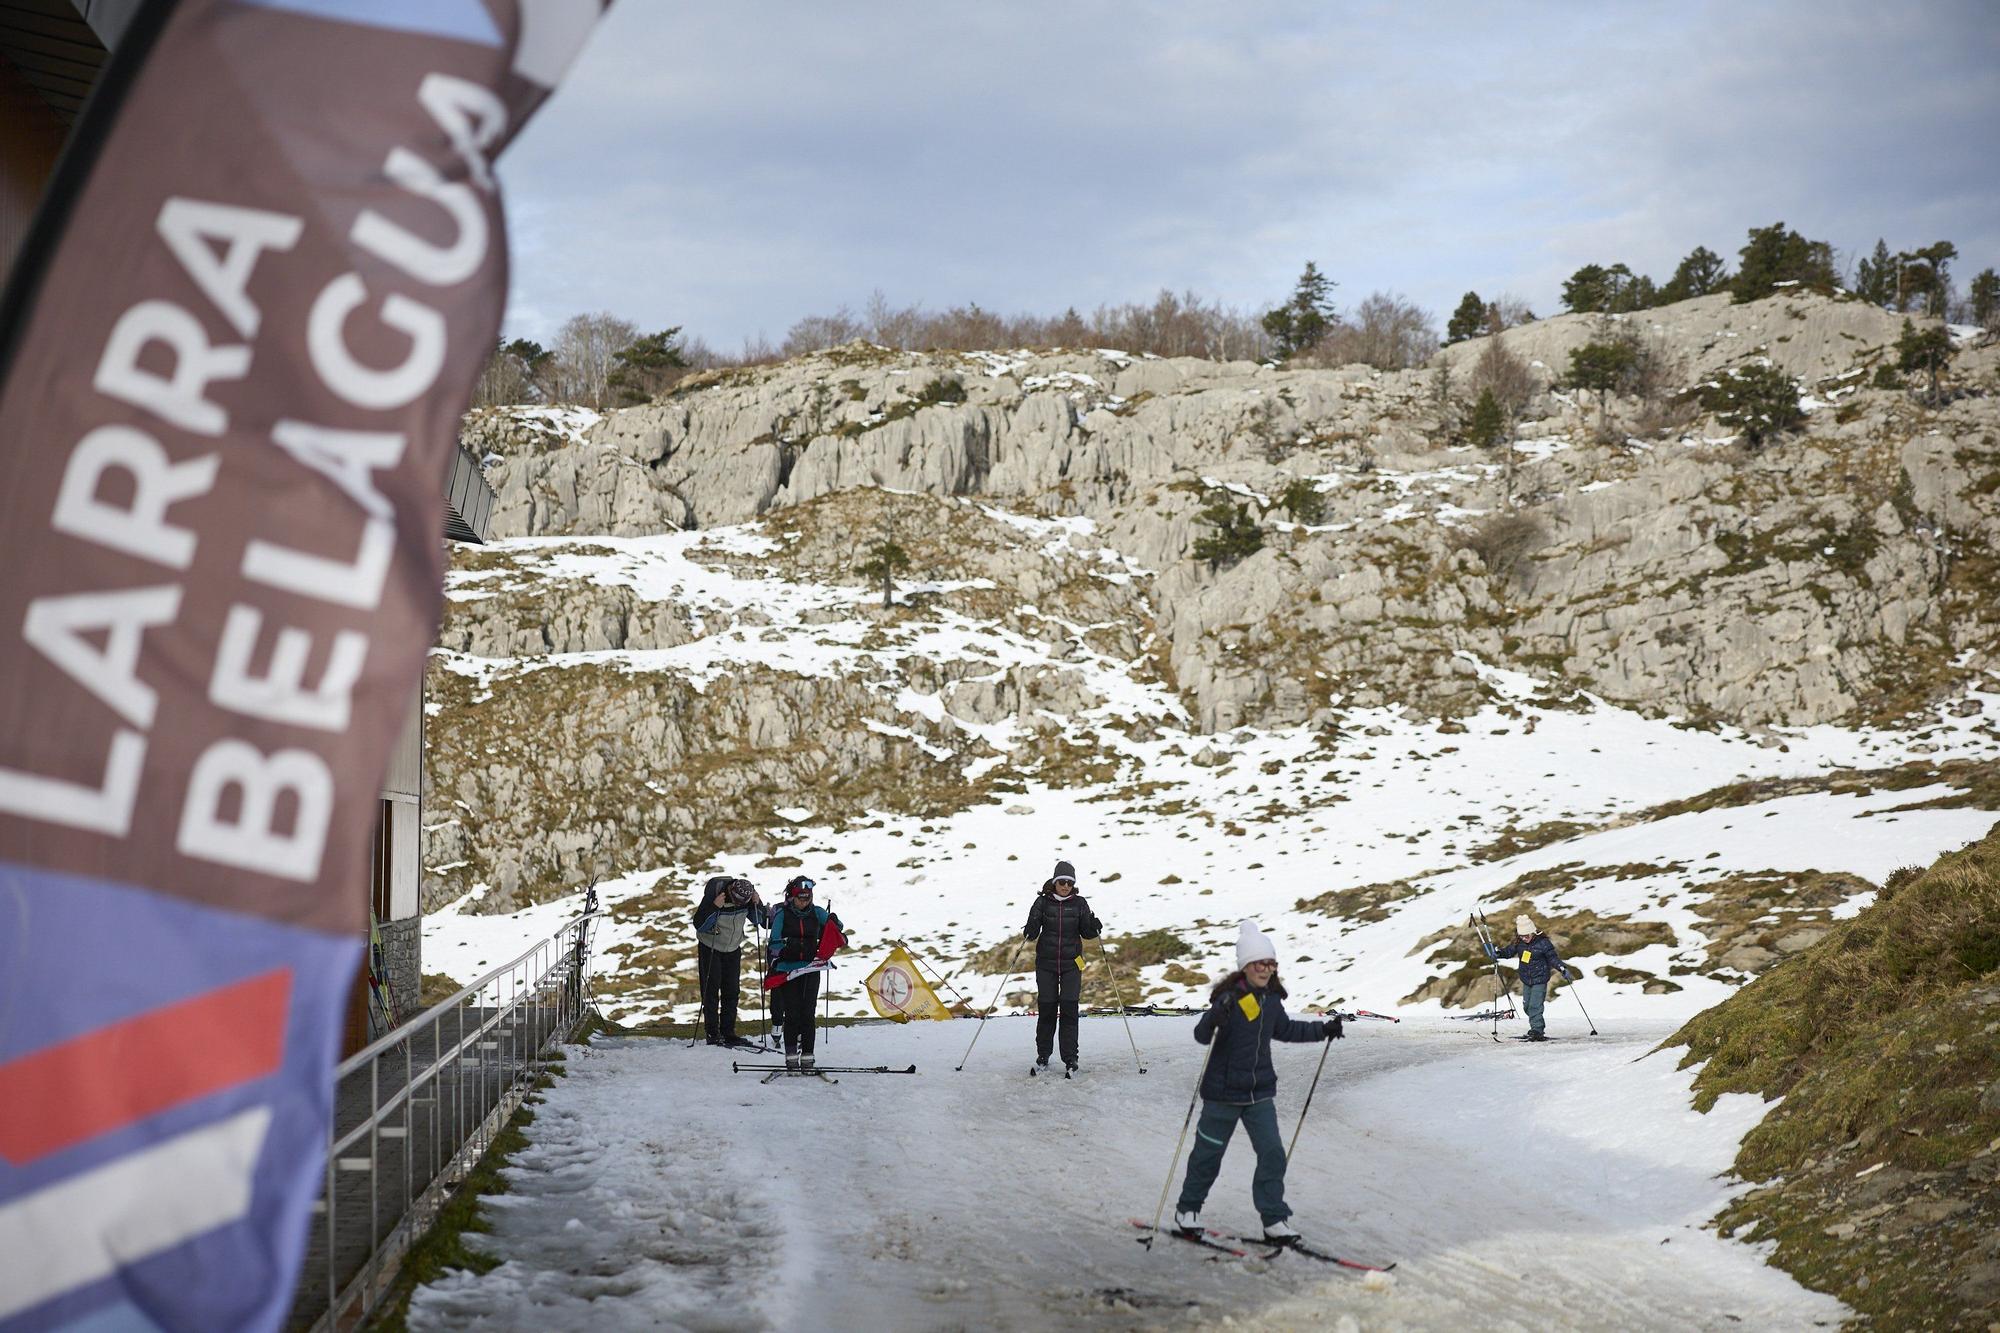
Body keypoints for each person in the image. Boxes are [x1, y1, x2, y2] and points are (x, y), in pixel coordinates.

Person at [1173, 921, 1339, 1243]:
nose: (1266, 969)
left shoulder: (1272, 1001)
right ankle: (1188, 1210)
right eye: (1260, 963)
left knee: (1273, 1153)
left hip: (1258, 1094)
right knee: (1207, 1156)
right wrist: (1214, 1017)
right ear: (1245, 966)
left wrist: (1323, 1031)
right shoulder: (1228, 999)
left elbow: (1287, 1030)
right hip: (1221, 1095)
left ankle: (1274, 1220)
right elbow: (1201, 1036)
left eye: (1271, 963)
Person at [1022, 859, 1101, 1074]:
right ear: (1055, 882)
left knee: (1069, 1010)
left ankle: (1070, 1058)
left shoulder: (1080, 903)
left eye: (1069, 882)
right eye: (1061, 882)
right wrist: (1029, 928)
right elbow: (1032, 933)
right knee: (1047, 1010)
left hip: (1072, 965)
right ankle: (1043, 1055)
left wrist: (1094, 928)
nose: (1065, 886)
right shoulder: (1042, 902)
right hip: (1046, 964)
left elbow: (1086, 932)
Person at [766, 875, 847, 1070]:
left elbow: (837, 928)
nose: (805, 901)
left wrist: (834, 921)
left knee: (808, 1013)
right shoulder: (782, 915)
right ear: (793, 897)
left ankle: (808, 1057)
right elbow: (773, 942)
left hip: (811, 968)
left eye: (808, 897)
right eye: (801, 898)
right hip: (789, 969)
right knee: (792, 1013)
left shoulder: (817, 912)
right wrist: (786, 947)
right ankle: (791, 1056)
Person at [691, 875, 768, 1049]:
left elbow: (759, 921)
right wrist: (714, 907)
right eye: (737, 901)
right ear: (731, 892)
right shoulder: (716, 894)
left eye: (744, 903)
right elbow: (699, 924)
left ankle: (728, 1033)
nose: (740, 905)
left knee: (732, 991)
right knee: (711, 991)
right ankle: (712, 1033)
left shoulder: (746, 899)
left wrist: (757, 903)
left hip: (733, 948)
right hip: (710, 947)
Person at [1485, 914, 1574, 1041]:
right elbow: (1509, 951)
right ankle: (1535, 1028)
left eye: (1527, 935)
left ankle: (1537, 1030)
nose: (1524, 938)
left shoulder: (1543, 943)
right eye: (1522, 936)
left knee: (1535, 1006)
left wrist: (1562, 969)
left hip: (1540, 979)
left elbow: (1553, 958)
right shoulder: (1519, 942)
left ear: (1533, 932)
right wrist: (1498, 954)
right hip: (1526, 979)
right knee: (1527, 1007)